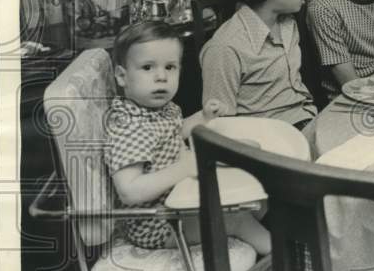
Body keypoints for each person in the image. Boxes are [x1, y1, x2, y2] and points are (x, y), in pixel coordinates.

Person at [105, 20, 270, 254]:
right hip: (158, 224)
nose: (161, 77)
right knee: (238, 218)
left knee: (258, 196)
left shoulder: (160, 109)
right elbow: (129, 191)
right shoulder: (128, 125)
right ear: (122, 77)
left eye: (170, 67)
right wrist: (185, 168)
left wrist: (203, 117)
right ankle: (294, 269)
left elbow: (174, 131)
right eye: (147, 67)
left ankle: (263, 260)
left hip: (181, 200)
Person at [201, 0, 317, 152]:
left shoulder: (288, 23)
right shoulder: (225, 47)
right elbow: (219, 128)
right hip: (267, 145)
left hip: (306, 125)